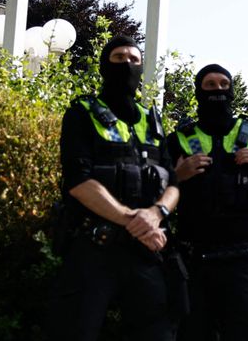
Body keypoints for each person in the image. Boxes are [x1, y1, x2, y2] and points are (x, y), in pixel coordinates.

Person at [48, 36, 180, 340]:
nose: (127, 64)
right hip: (94, 249)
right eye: (118, 58)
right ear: (105, 65)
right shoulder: (82, 113)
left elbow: (173, 183)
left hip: (146, 252)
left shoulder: (152, 120)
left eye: (134, 59)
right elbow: (78, 181)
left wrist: (156, 213)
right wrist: (136, 221)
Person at [170, 64, 248, 341]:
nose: (218, 91)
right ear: (199, 91)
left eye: (224, 85)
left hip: (241, 261)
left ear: (232, 90)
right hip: (192, 262)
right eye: (210, 85)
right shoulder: (179, 140)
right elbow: (154, 197)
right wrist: (179, 174)